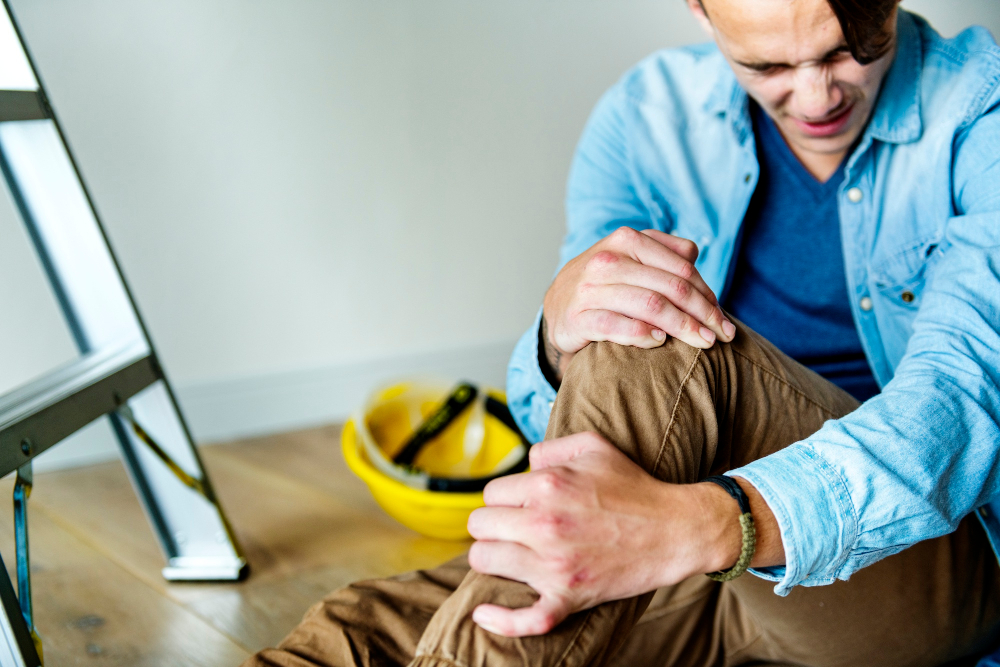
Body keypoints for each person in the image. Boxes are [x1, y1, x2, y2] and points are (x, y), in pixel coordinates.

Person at [245, 0, 1000, 665]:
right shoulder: (646, 117)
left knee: (658, 339)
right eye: (767, 64)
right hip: (693, 557)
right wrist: (555, 338)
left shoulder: (978, 109)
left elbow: (960, 408)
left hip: (917, 559)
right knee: (359, 633)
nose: (815, 95)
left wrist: (709, 525)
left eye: (844, 51)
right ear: (700, 12)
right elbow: (582, 425)